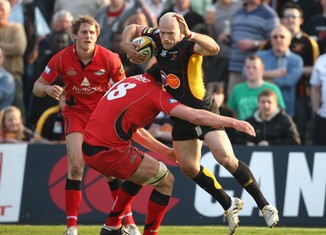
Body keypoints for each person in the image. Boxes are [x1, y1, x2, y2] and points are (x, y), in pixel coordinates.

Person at [122, 12, 279, 234]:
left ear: (180, 31)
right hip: (180, 114)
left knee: (225, 158)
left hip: (203, 109)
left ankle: (265, 205)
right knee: (188, 167)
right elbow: (134, 27)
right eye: (163, 33)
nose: (166, 38)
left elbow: (214, 48)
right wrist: (126, 45)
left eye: (171, 34)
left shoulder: (188, 45)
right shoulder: (157, 36)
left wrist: (191, 34)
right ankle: (228, 203)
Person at [83, 66, 257, 235]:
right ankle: (135, 231)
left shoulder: (131, 81)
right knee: (166, 181)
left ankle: (112, 227)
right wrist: (234, 122)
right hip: (111, 152)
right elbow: (195, 116)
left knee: (141, 174)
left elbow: (135, 131)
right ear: (167, 80)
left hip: (89, 147)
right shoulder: (155, 93)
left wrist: (165, 151)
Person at [32, 15, 139, 235]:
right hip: (75, 114)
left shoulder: (110, 58)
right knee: (75, 166)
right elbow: (37, 86)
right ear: (74, 36)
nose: (88, 36)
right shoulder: (61, 59)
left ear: (97, 35)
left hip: (102, 117)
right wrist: (47, 89)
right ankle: (71, 227)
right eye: (83, 32)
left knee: (111, 171)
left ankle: (128, 223)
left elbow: (124, 91)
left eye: (91, 32)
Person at [280, 3, 320, 145]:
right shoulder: (275, 37)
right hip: (276, 91)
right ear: (282, 20)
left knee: (300, 126)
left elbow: (317, 68)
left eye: (294, 17)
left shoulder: (309, 42)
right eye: (287, 17)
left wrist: (294, 72)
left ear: (301, 20)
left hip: (301, 92)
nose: (290, 20)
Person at [226, 0, 279, 96]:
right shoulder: (239, 11)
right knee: (234, 104)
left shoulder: (269, 14)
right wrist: (227, 38)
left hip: (254, 70)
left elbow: (275, 40)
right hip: (235, 68)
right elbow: (235, 38)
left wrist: (254, 43)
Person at [256, 24, 303, 117]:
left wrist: (262, 78)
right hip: (259, 108)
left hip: (285, 108)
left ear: (289, 40)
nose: (278, 39)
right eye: (275, 37)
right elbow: (246, 75)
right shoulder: (260, 56)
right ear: (271, 40)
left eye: (282, 37)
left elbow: (289, 82)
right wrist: (274, 73)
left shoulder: (296, 60)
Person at [228, 54, 286, 120]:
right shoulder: (237, 89)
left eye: (254, 67)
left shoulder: (273, 89)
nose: (251, 70)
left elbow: (281, 113)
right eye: (248, 67)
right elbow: (231, 112)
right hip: (243, 128)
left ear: (262, 69)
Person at [0, 0, 27, 123]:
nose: (0, 12)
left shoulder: (16, 27)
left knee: (17, 110)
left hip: (13, 74)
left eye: (2, 10)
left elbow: (19, 48)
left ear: (9, 12)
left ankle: (23, 137)